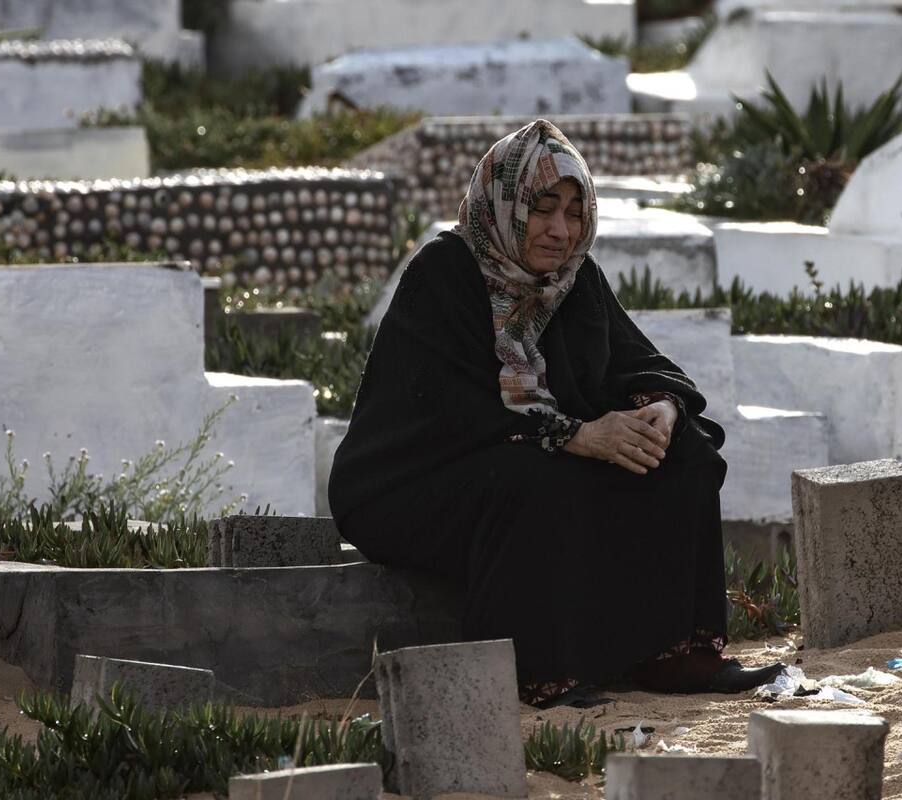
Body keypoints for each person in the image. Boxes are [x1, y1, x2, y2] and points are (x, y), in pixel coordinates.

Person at [329, 119, 783, 706]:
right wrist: (576, 435)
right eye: (544, 209)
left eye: (573, 212)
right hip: (409, 486)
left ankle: (675, 655)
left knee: (685, 450)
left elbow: (642, 366)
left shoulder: (573, 280)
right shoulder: (444, 273)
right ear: (508, 202)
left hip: (532, 460)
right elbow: (451, 412)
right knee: (530, 473)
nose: (560, 231)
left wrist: (663, 412)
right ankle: (537, 670)